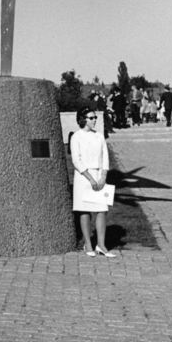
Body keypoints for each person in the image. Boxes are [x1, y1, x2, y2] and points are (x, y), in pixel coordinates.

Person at [70, 107, 117, 257]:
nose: (94, 120)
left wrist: (103, 176)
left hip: (98, 174)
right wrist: (90, 178)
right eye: (91, 118)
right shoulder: (77, 136)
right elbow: (76, 160)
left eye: (95, 117)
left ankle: (101, 245)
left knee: (102, 209)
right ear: (83, 119)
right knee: (84, 210)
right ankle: (88, 244)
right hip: (83, 176)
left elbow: (105, 156)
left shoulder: (99, 136)